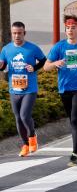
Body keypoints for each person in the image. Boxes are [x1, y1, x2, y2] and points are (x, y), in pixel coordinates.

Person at [44, 15, 77, 166]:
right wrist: (55, 63)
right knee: (73, 120)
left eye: (73, 28)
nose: (70, 31)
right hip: (64, 88)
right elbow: (45, 67)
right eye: (67, 28)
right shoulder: (59, 47)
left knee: (75, 118)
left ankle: (74, 153)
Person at [0, 22, 46, 157]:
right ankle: (25, 144)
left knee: (24, 116)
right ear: (11, 34)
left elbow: (43, 61)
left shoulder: (32, 48)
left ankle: (32, 137)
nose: (17, 35)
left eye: (19, 33)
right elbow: (3, 68)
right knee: (18, 119)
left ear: (24, 33)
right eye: (14, 33)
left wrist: (35, 68)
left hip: (29, 89)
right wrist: (1, 66)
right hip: (14, 89)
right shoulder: (6, 49)